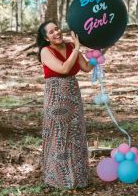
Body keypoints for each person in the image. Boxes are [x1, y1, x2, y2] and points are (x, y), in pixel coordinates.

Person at [37, 21, 94, 189]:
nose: (57, 32)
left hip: (72, 92)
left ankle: (78, 178)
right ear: (46, 38)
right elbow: (62, 69)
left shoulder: (70, 46)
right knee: (59, 134)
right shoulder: (45, 51)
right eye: (51, 31)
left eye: (57, 29)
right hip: (56, 95)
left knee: (75, 133)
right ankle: (58, 178)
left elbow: (86, 67)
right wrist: (77, 48)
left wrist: (101, 50)